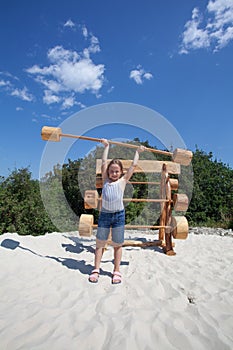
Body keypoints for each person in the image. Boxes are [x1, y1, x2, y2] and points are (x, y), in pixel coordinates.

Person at [89, 139, 145, 284]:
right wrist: (107, 146)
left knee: (117, 244)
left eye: (116, 171)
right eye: (111, 171)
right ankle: (96, 269)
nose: (114, 173)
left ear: (121, 173)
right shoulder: (106, 181)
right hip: (105, 216)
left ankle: (116, 270)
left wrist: (137, 152)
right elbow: (103, 162)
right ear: (108, 172)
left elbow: (133, 165)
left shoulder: (123, 181)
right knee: (100, 243)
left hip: (119, 216)